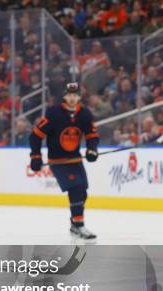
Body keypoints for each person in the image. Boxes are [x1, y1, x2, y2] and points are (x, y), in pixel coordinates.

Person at [29, 82, 99, 241]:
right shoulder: (54, 114)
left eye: (75, 95)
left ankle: (75, 224)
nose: (72, 98)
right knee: (75, 189)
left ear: (79, 97)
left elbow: (92, 135)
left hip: (75, 159)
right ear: (65, 96)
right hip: (58, 160)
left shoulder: (85, 114)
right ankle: (80, 226)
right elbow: (35, 136)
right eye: (69, 95)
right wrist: (35, 156)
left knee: (82, 193)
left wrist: (92, 149)